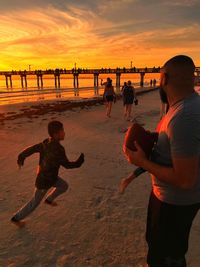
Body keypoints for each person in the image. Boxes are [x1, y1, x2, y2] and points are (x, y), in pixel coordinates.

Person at [123, 55, 200, 267]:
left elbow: (185, 180)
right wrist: (154, 139)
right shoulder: (187, 106)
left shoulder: (183, 116)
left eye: (158, 78)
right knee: (162, 248)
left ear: (164, 78)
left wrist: (141, 161)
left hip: (173, 202)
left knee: (166, 256)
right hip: (171, 199)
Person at [11, 120, 84, 225]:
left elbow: (31, 149)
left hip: (52, 178)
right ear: (55, 134)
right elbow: (67, 165)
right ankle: (16, 218)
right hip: (44, 182)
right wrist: (79, 162)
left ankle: (49, 199)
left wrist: (21, 157)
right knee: (34, 203)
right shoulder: (58, 149)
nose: (64, 132)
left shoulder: (45, 143)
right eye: (62, 131)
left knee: (64, 186)